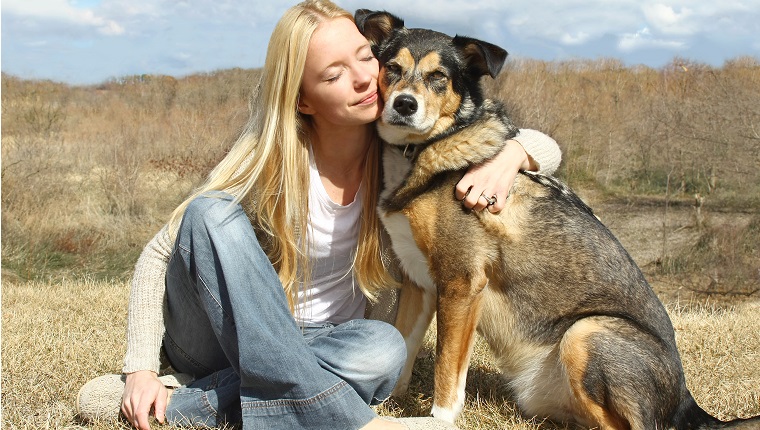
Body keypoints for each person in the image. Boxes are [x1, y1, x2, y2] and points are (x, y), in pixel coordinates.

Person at [76, 1, 562, 429]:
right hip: (222, 334)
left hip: (330, 340)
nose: (361, 79)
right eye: (333, 75)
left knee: (384, 350)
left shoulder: (396, 155)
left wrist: (512, 156)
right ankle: (355, 422)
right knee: (210, 214)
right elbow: (162, 251)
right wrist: (140, 366)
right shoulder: (272, 156)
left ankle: (194, 403)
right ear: (302, 98)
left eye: (365, 59)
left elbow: (542, 146)